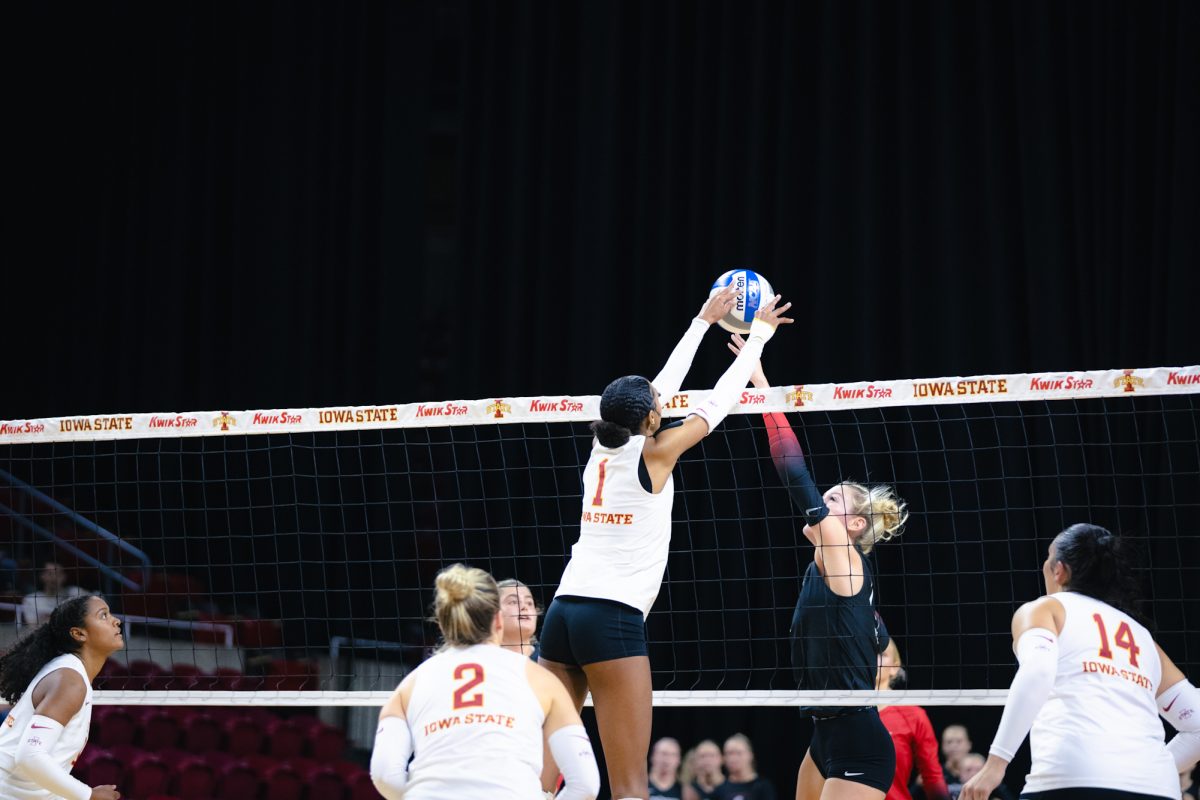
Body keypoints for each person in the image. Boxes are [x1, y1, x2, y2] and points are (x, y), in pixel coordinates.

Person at [539, 287, 793, 799]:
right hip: (610, 620)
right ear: (651, 420)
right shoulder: (654, 454)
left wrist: (701, 322)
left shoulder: (602, 445)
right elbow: (715, 405)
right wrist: (757, 339)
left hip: (562, 615)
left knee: (539, 782)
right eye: (656, 406)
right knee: (632, 789)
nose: (661, 401)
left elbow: (655, 391)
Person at [729, 334, 906, 800]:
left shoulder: (846, 557)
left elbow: (793, 471)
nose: (820, 508)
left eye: (832, 503)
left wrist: (760, 384)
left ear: (853, 524)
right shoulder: (830, 573)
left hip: (858, 740)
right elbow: (882, 642)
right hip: (822, 735)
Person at [961, 522, 1200, 800]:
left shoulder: (1045, 608)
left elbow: (1037, 673)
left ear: (1059, 569)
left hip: (1071, 780)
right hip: (1157, 789)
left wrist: (995, 765)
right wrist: (1147, 769)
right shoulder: (1142, 637)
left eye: (1048, 558)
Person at [369, 563, 600, 800]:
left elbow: (384, 775)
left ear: (442, 623)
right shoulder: (542, 679)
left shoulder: (410, 684)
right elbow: (586, 786)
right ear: (498, 620)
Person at [0, 594, 125, 800]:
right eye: (103, 616)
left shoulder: (70, 672)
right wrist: (89, 795)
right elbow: (30, 757)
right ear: (79, 633)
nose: (116, 620)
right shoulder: (70, 681)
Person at [875, 639, 949, 800]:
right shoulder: (839, 711)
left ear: (894, 667)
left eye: (881, 653)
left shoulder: (913, 715)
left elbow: (932, 777)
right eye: (867, 650)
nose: (873, 657)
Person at [21, 563, 86, 628]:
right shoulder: (30, 599)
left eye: (58, 574)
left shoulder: (76, 593)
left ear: (64, 576)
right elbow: (33, 627)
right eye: (50, 573)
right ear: (42, 576)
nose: (53, 578)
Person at [713, 733, 776, 800]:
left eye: (738, 753)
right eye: (729, 753)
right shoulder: (719, 790)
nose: (733, 758)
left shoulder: (763, 787)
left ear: (750, 755)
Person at [498, 578, 540, 659]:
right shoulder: (481, 661)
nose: (524, 607)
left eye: (529, 603)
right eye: (513, 602)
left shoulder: (551, 658)